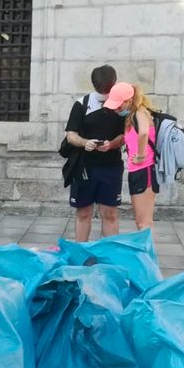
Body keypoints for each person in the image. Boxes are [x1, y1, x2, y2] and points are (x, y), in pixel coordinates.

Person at [64, 65, 126, 241]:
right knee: (83, 213)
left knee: (110, 213)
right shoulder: (81, 104)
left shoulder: (121, 106)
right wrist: (86, 143)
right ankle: (81, 254)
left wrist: (112, 144)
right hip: (84, 168)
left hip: (111, 167)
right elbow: (71, 135)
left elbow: (126, 135)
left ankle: (109, 256)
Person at [106, 82, 158, 231]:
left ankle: (148, 255)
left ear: (129, 101)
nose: (116, 109)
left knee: (144, 222)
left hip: (145, 169)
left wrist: (141, 156)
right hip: (137, 171)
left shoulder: (140, 112)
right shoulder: (132, 115)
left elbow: (143, 133)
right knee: (140, 221)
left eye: (119, 105)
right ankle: (146, 253)